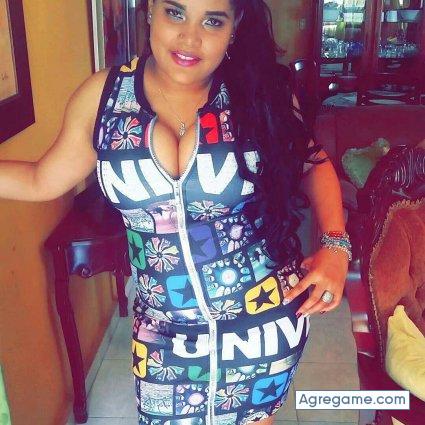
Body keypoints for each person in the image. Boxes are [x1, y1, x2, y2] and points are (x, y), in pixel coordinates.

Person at [0, 0, 351, 424]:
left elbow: (313, 163)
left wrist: (336, 245)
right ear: (150, 10)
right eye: (176, 13)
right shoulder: (105, 98)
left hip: (263, 321)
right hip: (162, 332)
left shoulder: (259, 92)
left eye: (212, 21)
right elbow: (41, 179)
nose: (190, 38)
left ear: (234, 26)